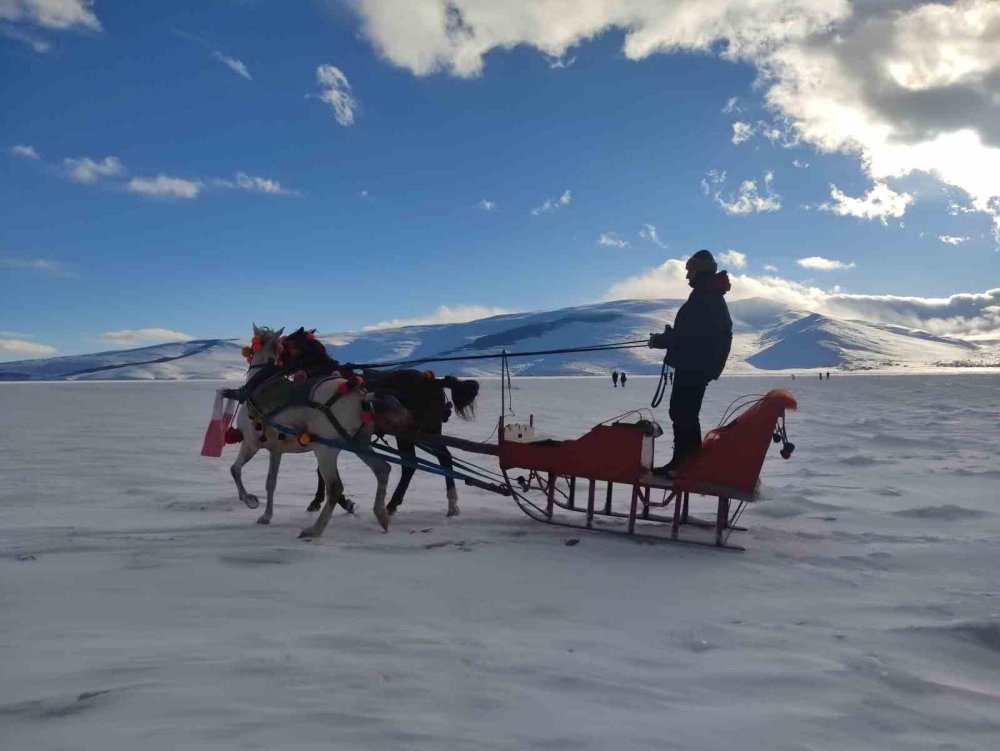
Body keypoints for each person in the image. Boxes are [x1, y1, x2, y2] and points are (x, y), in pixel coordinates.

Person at [647, 250, 733, 476]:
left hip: (695, 365)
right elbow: (692, 332)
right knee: (684, 412)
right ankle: (687, 462)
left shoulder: (705, 297)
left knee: (682, 412)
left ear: (700, 271)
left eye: (690, 271)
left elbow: (687, 334)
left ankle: (685, 464)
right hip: (698, 364)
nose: (687, 276)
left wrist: (659, 341)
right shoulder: (708, 294)